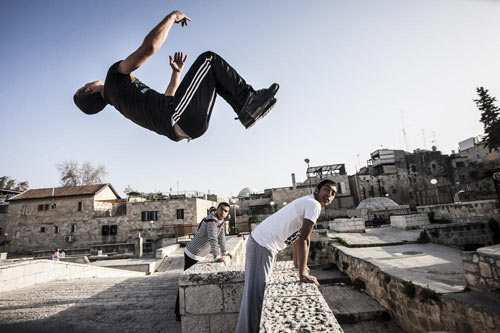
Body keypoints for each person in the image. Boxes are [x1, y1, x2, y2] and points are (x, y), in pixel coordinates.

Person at [74, 10, 279, 142]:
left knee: (213, 75)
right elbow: (149, 48)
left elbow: (168, 99)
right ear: (89, 89)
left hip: (186, 122)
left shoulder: (122, 101)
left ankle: (245, 110)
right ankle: (248, 99)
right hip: (180, 116)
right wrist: (171, 18)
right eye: (87, 83)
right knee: (209, 60)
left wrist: (176, 73)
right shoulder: (113, 79)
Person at [236, 179, 337, 333]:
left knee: (256, 294)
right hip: (263, 244)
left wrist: (298, 264)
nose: (329, 195)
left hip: (263, 244)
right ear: (317, 190)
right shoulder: (314, 204)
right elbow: (305, 239)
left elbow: (298, 236)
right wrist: (302, 273)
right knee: (255, 296)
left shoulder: (308, 202)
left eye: (333, 193)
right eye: (326, 189)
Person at [174, 202, 232, 321]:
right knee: (186, 281)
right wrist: (216, 257)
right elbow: (213, 238)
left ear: (227, 213)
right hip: (192, 254)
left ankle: (180, 310)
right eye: (221, 209)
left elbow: (222, 238)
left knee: (188, 281)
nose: (223, 212)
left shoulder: (220, 221)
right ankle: (178, 312)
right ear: (217, 209)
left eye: (226, 211)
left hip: (199, 255)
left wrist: (225, 253)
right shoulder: (212, 221)